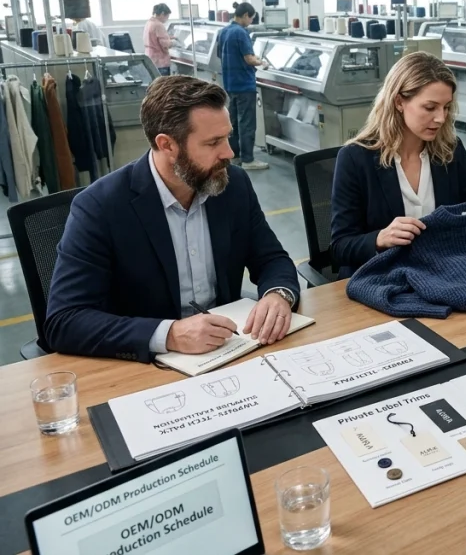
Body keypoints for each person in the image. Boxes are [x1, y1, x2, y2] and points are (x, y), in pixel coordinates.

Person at [46, 76, 300, 362]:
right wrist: (169, 334)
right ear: (167, 145)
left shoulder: (233, 185)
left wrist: (278, 295)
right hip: (146, 366)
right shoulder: (100, 207)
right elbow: (65, 321)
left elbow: (271, 258)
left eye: (227, 136)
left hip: (228, 350)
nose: (229, 153)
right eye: (214, 142)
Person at [330, 51, 466, 277]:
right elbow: (340, 247)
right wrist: (379, 238)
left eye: (446, 107)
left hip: (440, 271)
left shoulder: (450, 151)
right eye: (430, 107)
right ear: (399, 102)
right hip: (381, 276)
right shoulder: (355, 159)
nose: (441, 118)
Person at [219, 2, 268, 171]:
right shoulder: (241, 33)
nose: (251, 22)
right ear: (246, 15)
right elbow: (249, 58)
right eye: (251, 18)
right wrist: (262, 62)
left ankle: (235, 156)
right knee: (247, 122)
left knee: (233, 122)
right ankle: (248, 159)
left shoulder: (224, 31)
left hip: (230, 83)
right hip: (244, 84)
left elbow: (220, 54)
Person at [144, 3, 174, 76]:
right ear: (162, 13)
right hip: (160, 61)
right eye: (167, 16)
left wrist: (168, 37)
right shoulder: (158, 25)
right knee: (164, 85)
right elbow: (165, 44)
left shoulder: (149, 23)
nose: (167, 19)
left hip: (150, 58)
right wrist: (174, 43)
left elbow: (154, 38)